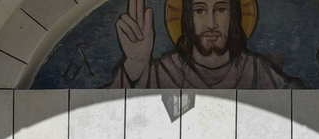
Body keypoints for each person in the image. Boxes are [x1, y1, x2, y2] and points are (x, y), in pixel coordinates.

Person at [109, 0, 301, 88]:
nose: (211, 24)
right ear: (186, 19)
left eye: (221, 9)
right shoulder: (160, 73)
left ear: (234, 16)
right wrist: (135, 63)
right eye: (199, 10)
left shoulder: (259, 72)